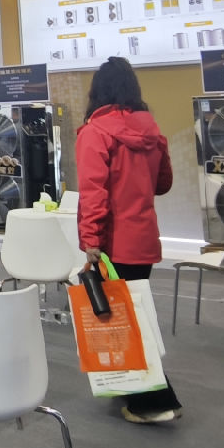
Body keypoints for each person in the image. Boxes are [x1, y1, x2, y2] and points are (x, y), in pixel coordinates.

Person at [76, 56, 179, 424]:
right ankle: (136, 389)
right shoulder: (152, 130)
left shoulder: (95, 132)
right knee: (135, 314)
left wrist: (90, 240)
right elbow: (163, 184)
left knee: (125, 321)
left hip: (112, 243)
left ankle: (153, 402)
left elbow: (93, 193)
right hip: (144, 240)